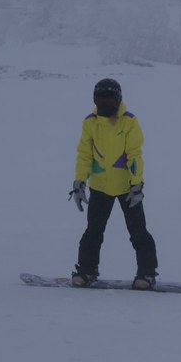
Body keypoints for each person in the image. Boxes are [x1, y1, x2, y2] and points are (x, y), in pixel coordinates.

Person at [68, 78, 158, 290]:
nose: (104, 103)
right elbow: (84, 155)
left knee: (138, 232)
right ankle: (86, 271)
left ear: (118, 99)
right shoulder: (90, 123)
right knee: (93, 232)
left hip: (127, 188)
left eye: (109, 99)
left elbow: (134, 155)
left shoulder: (129, 122)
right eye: (100, 99)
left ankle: (146, 273)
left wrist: (137, 185)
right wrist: (79, 182)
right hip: (100, 187)